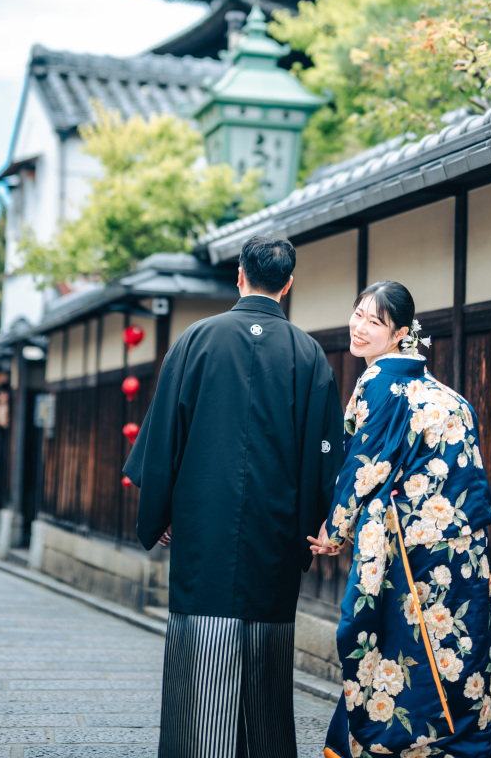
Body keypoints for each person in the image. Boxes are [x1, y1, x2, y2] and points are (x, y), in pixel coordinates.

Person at [124, 235, 344, 758]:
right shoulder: (308, 354)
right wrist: (316, 527)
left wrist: (160, 514)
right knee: (264, 666)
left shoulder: (194, 340)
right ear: (287, 284)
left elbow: (162, 441)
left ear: (239, 276)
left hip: (202, 531)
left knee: (198, 660)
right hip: (272, 537)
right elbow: (325, 454)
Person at [309, 281, 491, 758]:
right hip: (461, 549)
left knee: (386, 644)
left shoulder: (378, 382)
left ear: (399, 333)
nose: (359, 327)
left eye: (374, 321)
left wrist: (334, 532)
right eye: (358, 314)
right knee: (457, 646)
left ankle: (387, 744)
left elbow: (363, 466)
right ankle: (465, 746)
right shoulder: (451, 398)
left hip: (404, 548)